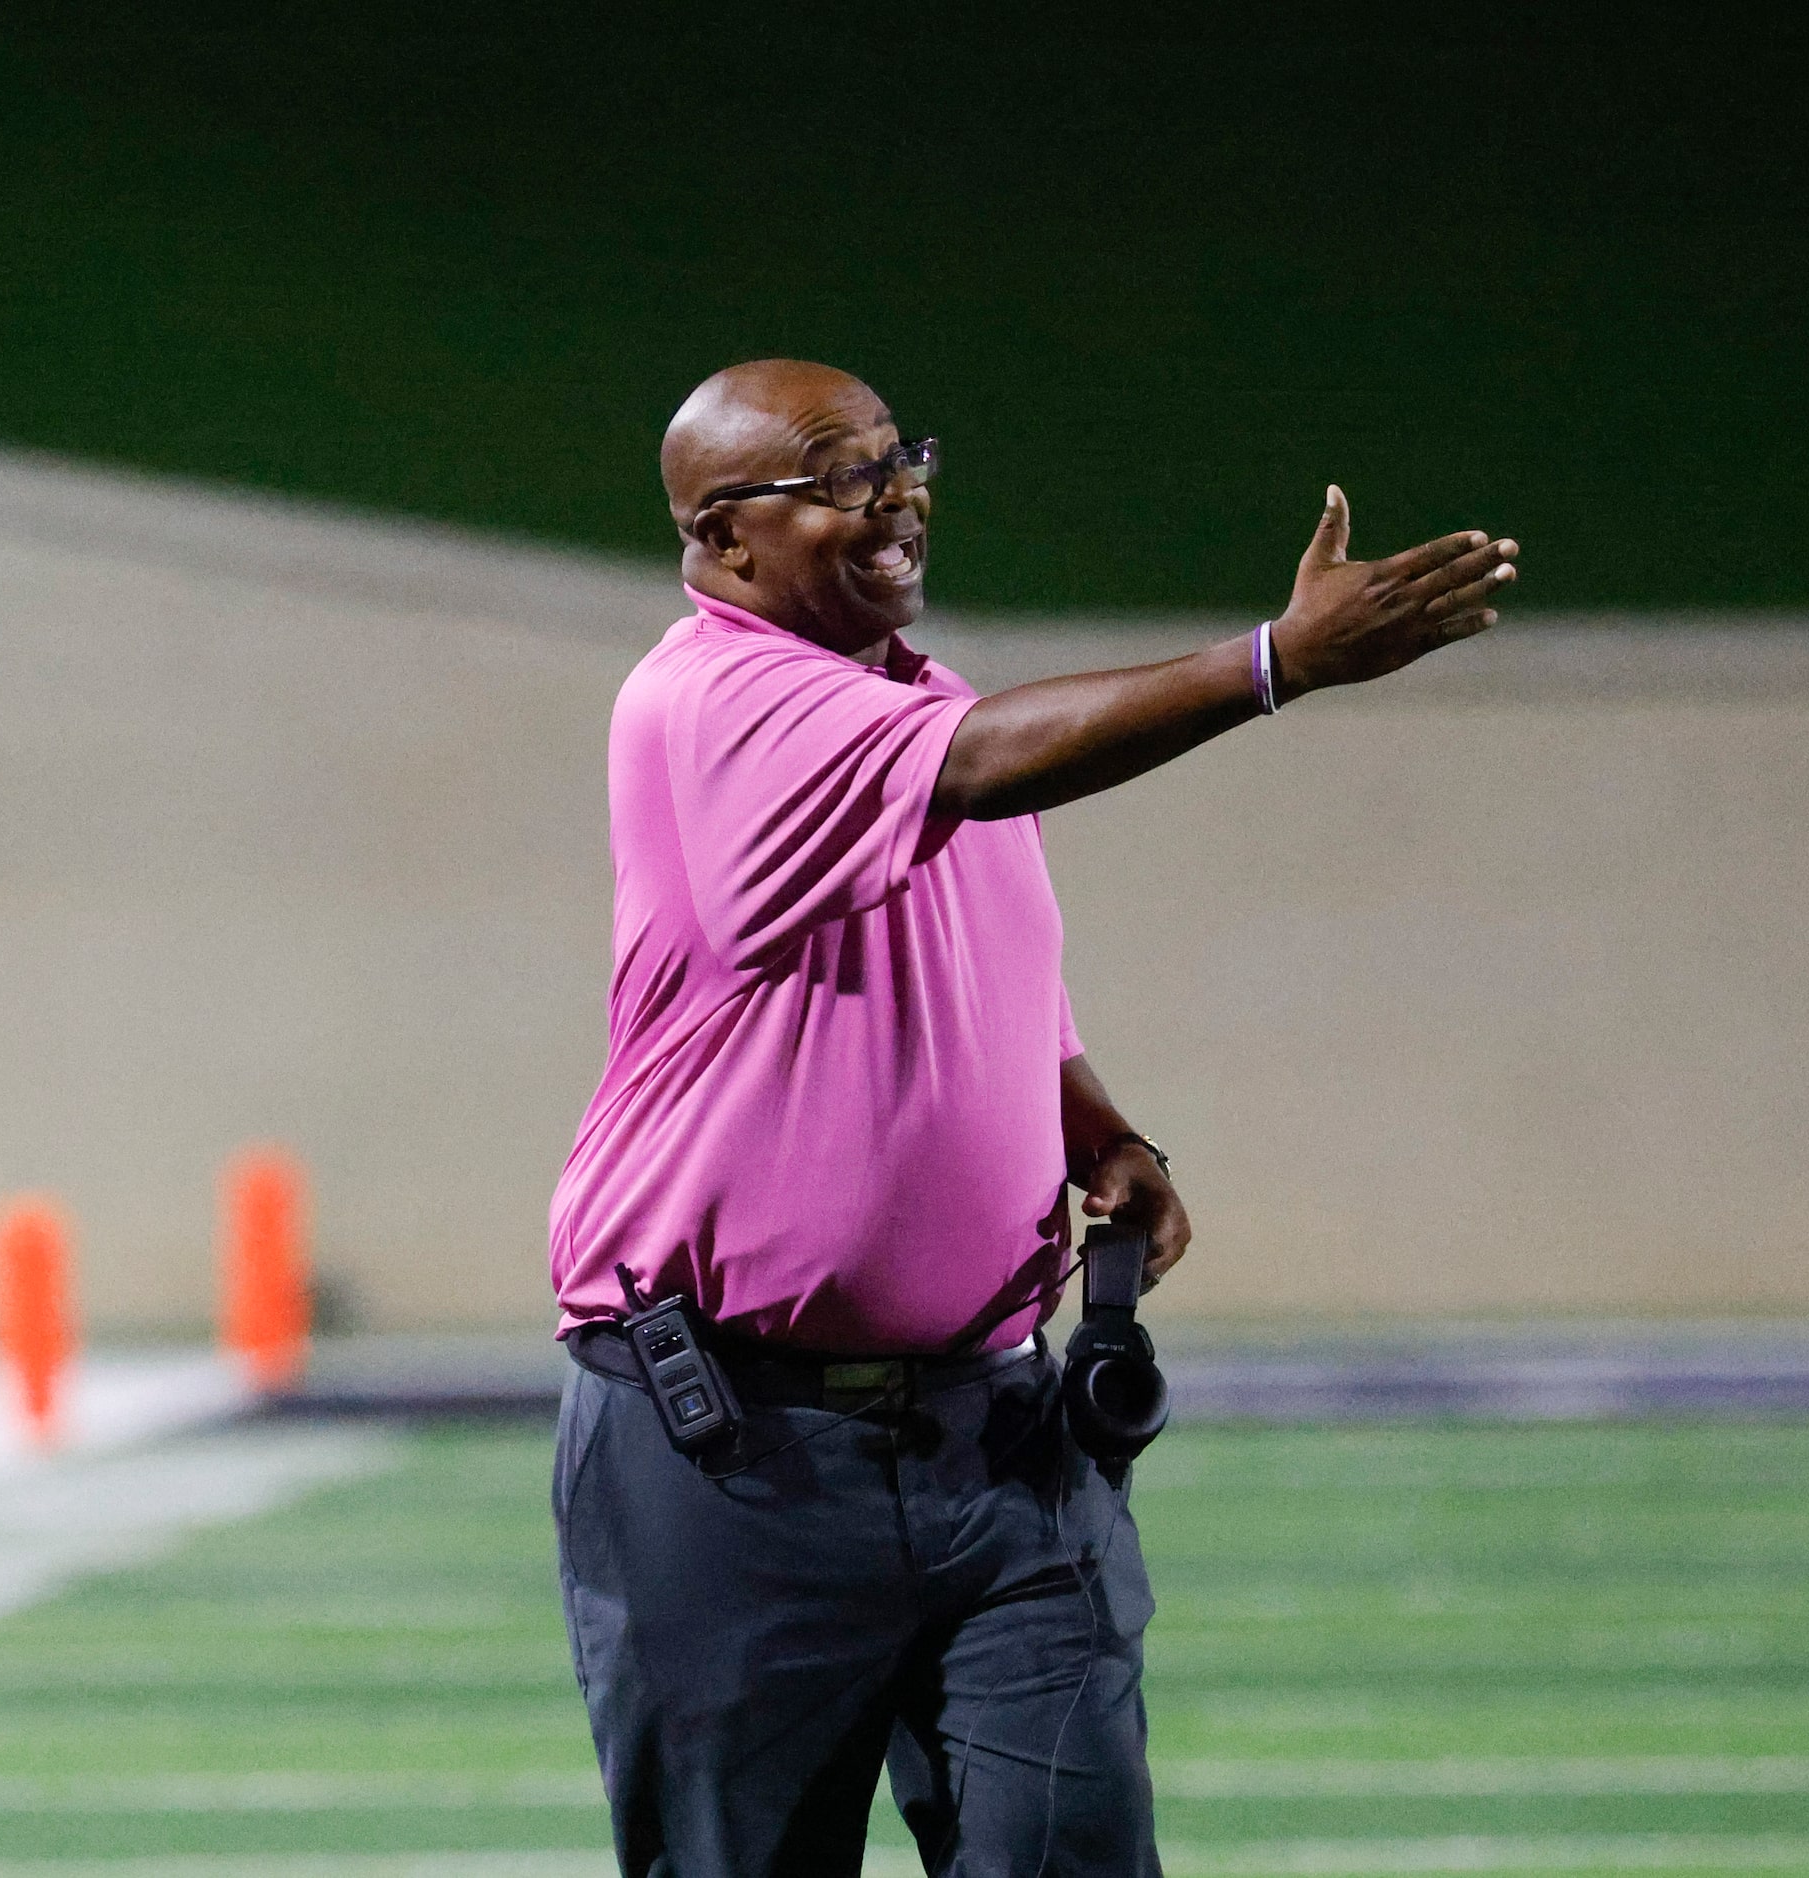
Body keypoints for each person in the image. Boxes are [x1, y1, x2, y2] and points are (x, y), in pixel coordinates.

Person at [548, 359, 1517, 1874]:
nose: (900, 500)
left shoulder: (913, 701)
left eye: (901, 458)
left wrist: (1097, 1130)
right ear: (725, 540)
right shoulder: (710, 699)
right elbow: (988, 767)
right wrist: (1274, 661)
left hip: (996, 1437)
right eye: (844, 477)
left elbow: (999, 977)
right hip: (737, 1453)